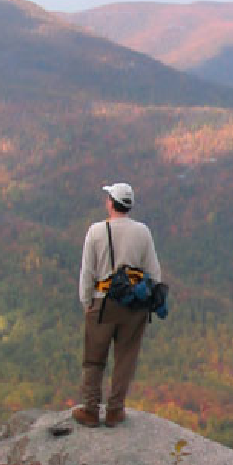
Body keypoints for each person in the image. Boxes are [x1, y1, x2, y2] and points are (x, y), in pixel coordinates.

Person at [76, 182, 164, 427]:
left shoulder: (96, 231)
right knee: (126, 358)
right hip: (135, 307)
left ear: (111, 203)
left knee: (94, 359)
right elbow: (155, 274)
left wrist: (86, 302)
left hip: (102, 303)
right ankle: (115, 411)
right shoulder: (143, 232)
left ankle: (91, 410)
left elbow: (87, 272)